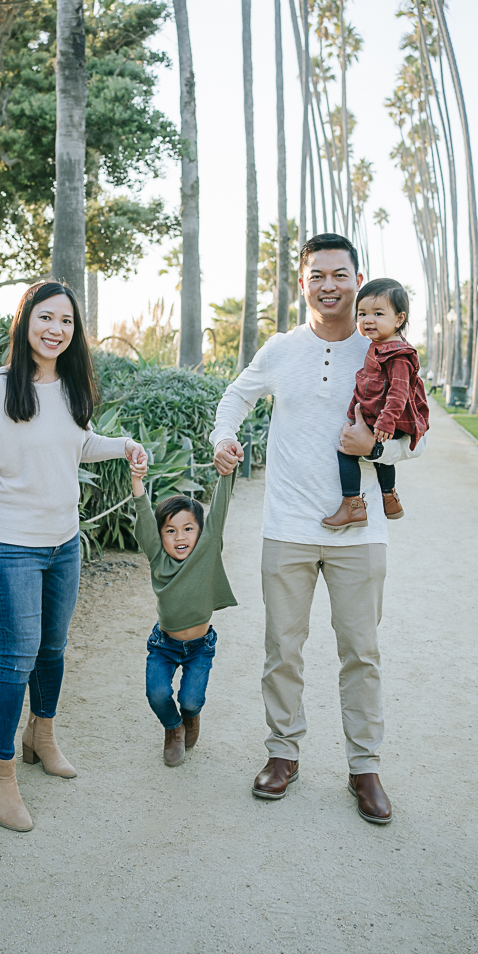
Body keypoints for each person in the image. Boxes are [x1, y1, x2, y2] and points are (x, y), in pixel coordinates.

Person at [211, 233, 426, 823]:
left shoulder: (386, 349)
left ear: (359, 280)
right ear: (302, 283)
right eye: (317, 276)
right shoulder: (281, 348)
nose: (328, 285)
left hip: (362, 535)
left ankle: (365, 767)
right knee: (282, 649)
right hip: (288, 527)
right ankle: (283, 754)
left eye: (340, 274)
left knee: (362, 652)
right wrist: (223, 437)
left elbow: (415, 438)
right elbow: (236, 397)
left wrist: (377, 446)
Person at [0, 280, 146, 832]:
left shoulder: (72, 386)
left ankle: (43, 735)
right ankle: (0, 776)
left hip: (64, 544)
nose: (56, 329)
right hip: (9, 544)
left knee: (53, 648)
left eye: (66, 321)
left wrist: (122, 446)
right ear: (25, 320)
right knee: (17, 657)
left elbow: (78, 444)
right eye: (46, 318)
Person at [129, 457, 237, 766]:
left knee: (191, 699)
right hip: (164, 644)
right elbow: (145, 518)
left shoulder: (207, 547)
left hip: (199, 647)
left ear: (201, 532)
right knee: (157, 694)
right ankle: (172, 728)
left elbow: (218, 510)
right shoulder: (158, 559)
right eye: (170, 531)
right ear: (161, 537)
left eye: (188, 529)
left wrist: (226, 474)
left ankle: (190, 717)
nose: (180, 537)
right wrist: (137, 481)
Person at [322, 278, 429, 530]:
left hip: (389, 418)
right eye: (362, 313)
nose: (368, 320)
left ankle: (352, 504)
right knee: (382, 458)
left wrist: (386, 420)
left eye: (378, 313)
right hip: (383, 416)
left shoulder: (397, 354)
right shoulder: (380, 345)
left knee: (346, 450)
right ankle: (389, 498)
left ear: (399, 319)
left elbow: (399, 391)